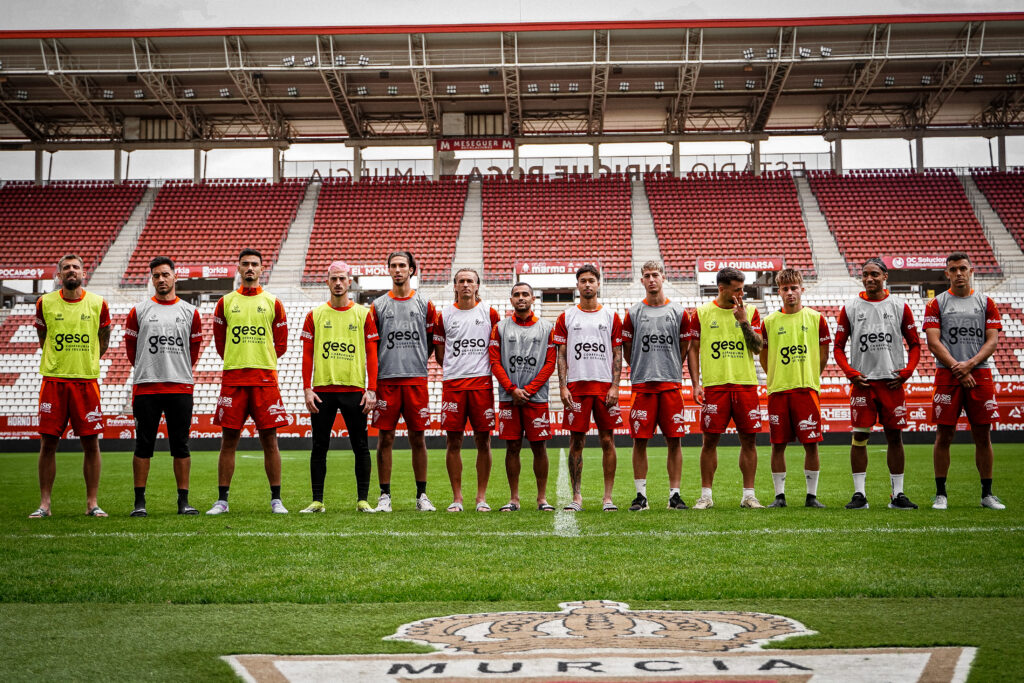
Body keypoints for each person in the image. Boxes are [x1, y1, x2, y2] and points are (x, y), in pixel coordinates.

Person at [833, 258, 921, 510]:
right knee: (859, 437)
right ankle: (859, 495)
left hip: (892, 383)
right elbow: (838, 347)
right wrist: (850, 372)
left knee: (895, 437)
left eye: (874, 274)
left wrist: (907, 371)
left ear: (885, 276)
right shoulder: (850, 307)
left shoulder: (899, 305)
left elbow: (914, 343)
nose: (869, 278)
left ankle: (898, 495)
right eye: (865, 274)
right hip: (863, 383)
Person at [207, 248, 289, 515]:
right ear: (238, 269)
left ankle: (276, 499)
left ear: (262, 268)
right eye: (245, 264)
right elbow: (221, 343)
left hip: (265, 379)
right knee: (228, 440)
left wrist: (259, 358)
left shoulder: (273, 302)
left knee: (270, 440)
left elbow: (281, 344)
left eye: (255, 264)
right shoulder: (226, 302)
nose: (250, 268)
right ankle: (222, 500)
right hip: (234, 379)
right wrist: (239, 358)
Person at [30, 254, 112, 518]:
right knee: (48, 443)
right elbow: (43, 337)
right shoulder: (44, 302)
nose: (71, 271)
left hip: (86, 381)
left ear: (83, 273)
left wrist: (88, 359)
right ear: (59, 275)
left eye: (76, 267)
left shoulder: (99, 303)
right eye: (66, 268)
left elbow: (104, 337)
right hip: (54, 381)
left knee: (91, 444)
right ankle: (45, 504)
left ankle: (92, 503)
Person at [924, 252, 1005, 510]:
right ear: (946, 274)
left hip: (979, 373)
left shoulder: (986, 302)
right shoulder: (936, 304)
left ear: (972, 271)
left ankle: (987, 494)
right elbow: (933, 342)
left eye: (962, 268)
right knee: (943, 434)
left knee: (983, 435)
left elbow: (992, 340)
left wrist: (969, 364)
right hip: (947, 374)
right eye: (953, 269)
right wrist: (958, 367)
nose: (958, 273)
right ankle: (940, 494)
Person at [124, 256, 203, 516]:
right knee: (143, 446)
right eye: (156, 275)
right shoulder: (139, 311)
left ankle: (183, 501)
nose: (161, 279)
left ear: (174, 276)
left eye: (165, 274)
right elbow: (131, 351)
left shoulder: (190, 312)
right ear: (152, 278)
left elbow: (193, 351)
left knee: (180, 445)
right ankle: (139, 503)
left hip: (180, 387)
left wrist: (175, 368)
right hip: (147, 387)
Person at [299, 261, 379, 513]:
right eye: (334, 279)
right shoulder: (315, 315)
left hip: (354, 390)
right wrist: (307, 388)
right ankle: (317, 500)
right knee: (319, 446)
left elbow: (371, 354)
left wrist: (372, 389)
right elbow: (308, 355)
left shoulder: (364, 314)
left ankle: (363, 500)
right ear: (327, 282)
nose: (338, 283)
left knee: (361, 446)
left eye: (342, 278)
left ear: (349, 282)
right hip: (322, 390)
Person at [688, 267, 764, 509]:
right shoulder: (701, 313)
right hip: (715, 385)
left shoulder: (750, 311)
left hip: (745, 384)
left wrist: (743, 322)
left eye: (743, 288)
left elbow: (757, 347)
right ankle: (706, 496)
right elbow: (693, 349)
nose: (743, 293)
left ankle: (749, 495)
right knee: (709, 441)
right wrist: (696, 383)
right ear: (722, 289)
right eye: (738, 289)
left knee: (749, 441)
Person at [369, 251, 438, 512]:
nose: (398, 270)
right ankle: (384, 496)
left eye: (403, 266)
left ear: (412, 270)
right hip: (386, 380)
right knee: (385, 438)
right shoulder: (377, 306)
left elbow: (431, 341)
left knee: (418, 438)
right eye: (393, 266)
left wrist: (416, 357)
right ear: (388, 270)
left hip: (416, 379)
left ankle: (422, 495)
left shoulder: (425, 304)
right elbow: (372, 346)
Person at [621, 261, 691, 511]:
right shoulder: (633, 313)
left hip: (670, 384)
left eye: (655, 275)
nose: (651, 280)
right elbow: (627, 348)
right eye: (647, 276)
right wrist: (641, 365)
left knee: (675, 440)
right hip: (642, 386)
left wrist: (669, 365)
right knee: (639, 440)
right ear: (641, 281)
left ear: (664, 278)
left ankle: (675, 495)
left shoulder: (679, 312)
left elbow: (684, 347)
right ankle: (641, 496)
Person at [758, 268, 830, 509]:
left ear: (802, 289)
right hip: (779, 391)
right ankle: (780, 496)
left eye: (794, 288)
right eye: (785, 289)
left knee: (812, 443)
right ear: (779, 292)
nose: (790, 293)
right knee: (778, 444)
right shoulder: (769, 321)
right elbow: (764, 357)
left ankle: (811, 496)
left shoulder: (816, 318)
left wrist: (809, 376)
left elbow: (823, 355)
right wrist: (779, 376)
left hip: (806, 390)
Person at [553, 264, 623, 512]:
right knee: (577, 442)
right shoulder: (566, 316)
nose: (587, 284)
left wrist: (615, 385)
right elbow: (561, 355)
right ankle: (577, 496)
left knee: (607, 440)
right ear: (577, 285)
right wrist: (562, 386)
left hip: (605, 387)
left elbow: (617, 353)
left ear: (599, 283)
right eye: (583, 280)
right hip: (577, 387)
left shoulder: (611, 317)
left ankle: (608, 498)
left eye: (591, 280)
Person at [434, 268, 501, 511]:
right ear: (454, 286)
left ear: (477, 286)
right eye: (461, 281)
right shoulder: (445, 315)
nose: (465, 285)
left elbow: (496, 346)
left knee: (483, 441)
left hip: (481, 384)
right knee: (454, 441)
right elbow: (441, 354)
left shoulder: (489, 313)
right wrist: (455, 368)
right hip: (453, 385)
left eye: (469, 281)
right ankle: (457, 498)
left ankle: (481, 497)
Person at [489, 282, 557, 512]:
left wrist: (529, 389)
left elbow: (550, 364)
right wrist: (511, 388)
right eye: (516, 295)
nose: (521, 298)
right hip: (509, 397)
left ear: (533, 299)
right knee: (513, 447)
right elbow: (495, 361)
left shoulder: (547, 328)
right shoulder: (499, 328)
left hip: (536, 397)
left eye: (525, 294)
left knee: (540, 447)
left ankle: (542, 498)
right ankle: (514, 498)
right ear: (511, 300)